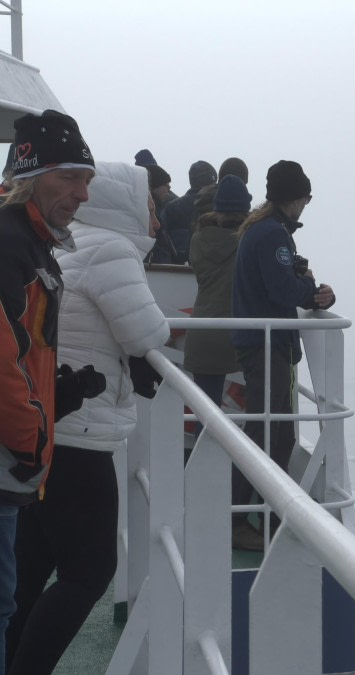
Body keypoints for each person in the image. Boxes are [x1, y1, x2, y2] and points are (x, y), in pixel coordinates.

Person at [5, 162, 170, 675]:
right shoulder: (113, 249)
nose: (158, 222)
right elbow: (148, 333)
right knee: (90, 573)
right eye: (151, 207)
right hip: (80, 433)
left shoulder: (68, 242)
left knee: (31, 570)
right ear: (126, 205)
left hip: (49, 425)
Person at [0, 110, 103, 675]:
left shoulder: (33, 243)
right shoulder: (10, 243)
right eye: (69, 177)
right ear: (30, 173)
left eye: (86, 180)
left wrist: (57, 395)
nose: (82, 194)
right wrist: (32, 437)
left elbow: (21, 349)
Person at [231, 160, 335, 549]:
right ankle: (248, 519)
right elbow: (281, 290)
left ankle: (253, 515)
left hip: (261, 342)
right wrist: (312, 292)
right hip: (268, 344)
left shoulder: (262, 230)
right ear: (298, 197)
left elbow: (282, 283)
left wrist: (309, 288)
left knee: (267, 430)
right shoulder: (273, 234)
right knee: (273, 434)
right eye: (306, 198)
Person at [184, 175, 250, 452]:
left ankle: (202, 464)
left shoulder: (198, 238)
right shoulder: (246, 240)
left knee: (205, 412)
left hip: (201, 330)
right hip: (235, 333)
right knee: (258, 411)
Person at [160, 160, 217, 264]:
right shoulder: (220, 206)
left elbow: (162, 243)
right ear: (212, 180)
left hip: (176, 272)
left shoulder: (171, 208)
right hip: (214, 271)